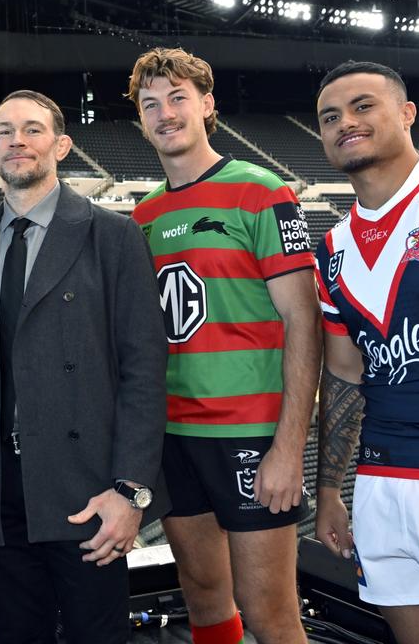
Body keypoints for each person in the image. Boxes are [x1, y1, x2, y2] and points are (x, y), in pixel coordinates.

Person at [0, 89, 168, 644]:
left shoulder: (112, 235)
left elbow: (144, 367)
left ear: (60, 145)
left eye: (33, 129)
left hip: (87, 492)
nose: (19, 141)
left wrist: (130, 490)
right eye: (5, 131)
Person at [129, 48, 321, 644]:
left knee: (269, 612)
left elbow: (303, 321)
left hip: (249, 433)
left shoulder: (261, 192)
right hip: (176, 436)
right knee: (205, 599)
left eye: (178, 97)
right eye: (150, 104)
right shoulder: (143, 215)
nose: (165, 113)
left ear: (207, 105)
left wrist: (290, 446)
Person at [314, 61, 419, 644]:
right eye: (331, 117)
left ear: (407, 113)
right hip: (385, 480)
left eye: (364, 106)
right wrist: (332, 490)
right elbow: (342, 374)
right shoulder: (332, 250)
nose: (346, 123)